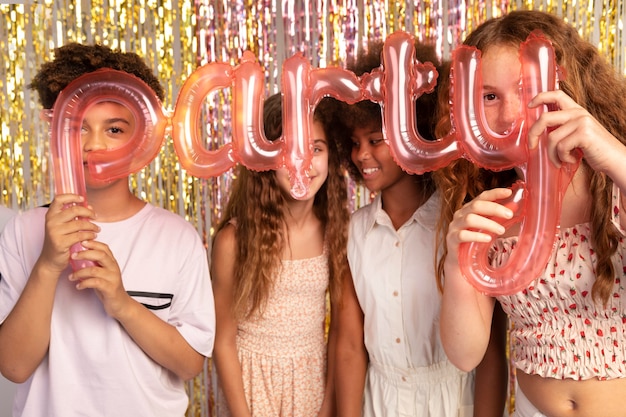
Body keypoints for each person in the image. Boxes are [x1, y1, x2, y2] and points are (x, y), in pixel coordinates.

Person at [0, 43, 215, 416]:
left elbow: (190, 364)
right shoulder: (25, 230)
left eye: (114, 129)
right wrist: (49, 264)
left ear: (143, 138)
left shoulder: (177, 238)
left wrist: (122, 304)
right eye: (78, 127)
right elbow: (14, 366)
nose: (94, 145)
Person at [437, 10, 626, 417]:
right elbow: (465, 354)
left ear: (564, 85)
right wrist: (457, 264)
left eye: (525, 90)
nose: (508, 116)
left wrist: (616, 158)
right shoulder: (490, 202)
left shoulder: (615, 178)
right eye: (489, 97)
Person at [334, 40, 508, 417]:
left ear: (414, 130)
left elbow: (492, 349)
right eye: (354, 143)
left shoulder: (461, 223)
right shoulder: (356, 232)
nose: (361, 155)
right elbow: (349, 344)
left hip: (453, 401)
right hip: (379, 402)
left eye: (375, 140)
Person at [211, 92, 350, 417]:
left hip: (310, 384)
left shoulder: (336, 232)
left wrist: (328, 404)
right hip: (252, 386)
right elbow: (223, 341)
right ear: (264, 158)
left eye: (315, 148)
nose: (303, 162)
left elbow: (340, 333)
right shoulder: (234, 240)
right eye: (288, 151)